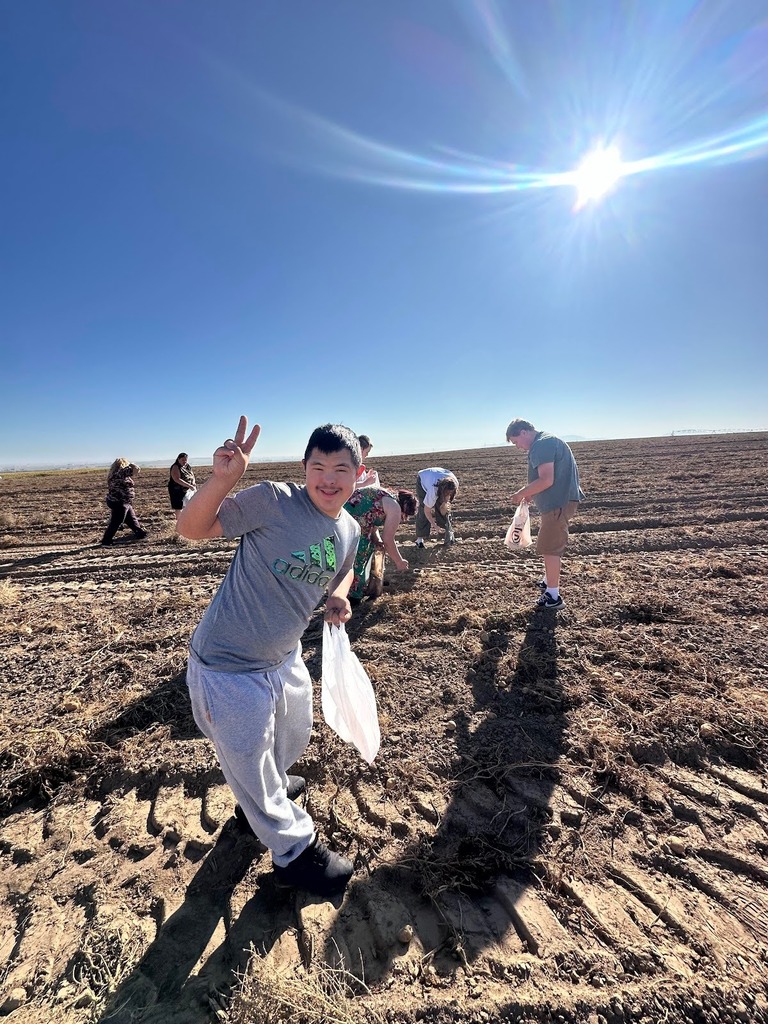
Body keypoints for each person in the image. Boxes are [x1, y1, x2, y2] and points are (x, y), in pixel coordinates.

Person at [177, 416, 362, 897]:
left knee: (292, 735)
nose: (328, 478)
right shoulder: (273, 500)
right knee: (251, 760)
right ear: (305, 469)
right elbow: (191, 528)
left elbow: (340, 572)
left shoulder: (349, 528)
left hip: (284, 655)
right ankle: (294, 852)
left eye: (340, 468)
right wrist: (222, 482)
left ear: (357, 475)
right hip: (228, 663)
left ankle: (261, 794)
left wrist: (338, 595)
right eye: (318, 465)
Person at [506, 418, 585, 611]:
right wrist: (532, 493)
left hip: (558, 503)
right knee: (549, 543)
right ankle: (547, 580)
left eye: (516, 442)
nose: (518, 447)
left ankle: (553, 596)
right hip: (558, 502)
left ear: (523, 432)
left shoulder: (542, 444)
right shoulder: (546, 441)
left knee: (550, 547)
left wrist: (521, 493)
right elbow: (549, 478)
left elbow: (546, 479)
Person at [344, 487, 417, 601]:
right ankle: (353, 595)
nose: (404, 518)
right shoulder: (395, 508)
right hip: (353, 521)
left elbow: (373, 519)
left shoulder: (387, 497)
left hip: (347, 511)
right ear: (405, 507)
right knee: (360, 557)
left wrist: (376, 539)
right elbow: (388, 539)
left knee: (359, 551)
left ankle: (347, 588)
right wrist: (399, 561)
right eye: (406, 515)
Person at [100, 459, 148, 546]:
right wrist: (132, 464)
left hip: (122, 501)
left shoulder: (114, 474)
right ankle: (106, 540)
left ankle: (140, 533)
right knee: (116, 521)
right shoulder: (121, 472)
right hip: (120, 502)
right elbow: (137, 470)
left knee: (131, 519)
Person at [415, 468, 458, 547]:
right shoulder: (433, 490)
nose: (448, 495)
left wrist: (445, 503)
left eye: (449, 493)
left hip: (435, 475)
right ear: (441, 490)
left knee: (443, 507)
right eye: (446, 494)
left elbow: (445, 505)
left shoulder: (454, 486)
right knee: (423, 507)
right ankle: (419, 539)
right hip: (423, 479)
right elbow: (427, 510)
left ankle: (447, 536)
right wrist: (434, 525)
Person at [167, 452, 196, 519]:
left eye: (186, 460)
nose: (184, 461)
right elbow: (177, 479)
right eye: (183, 460)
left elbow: (192, 475)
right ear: (178, 459)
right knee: (179, 507)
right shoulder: (175, 467)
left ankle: (186, 520)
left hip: (187, 490)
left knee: (188, 505)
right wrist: (190, 486)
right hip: (177, 490)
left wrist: (193, 483)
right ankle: (179, 522)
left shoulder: (187, 466)